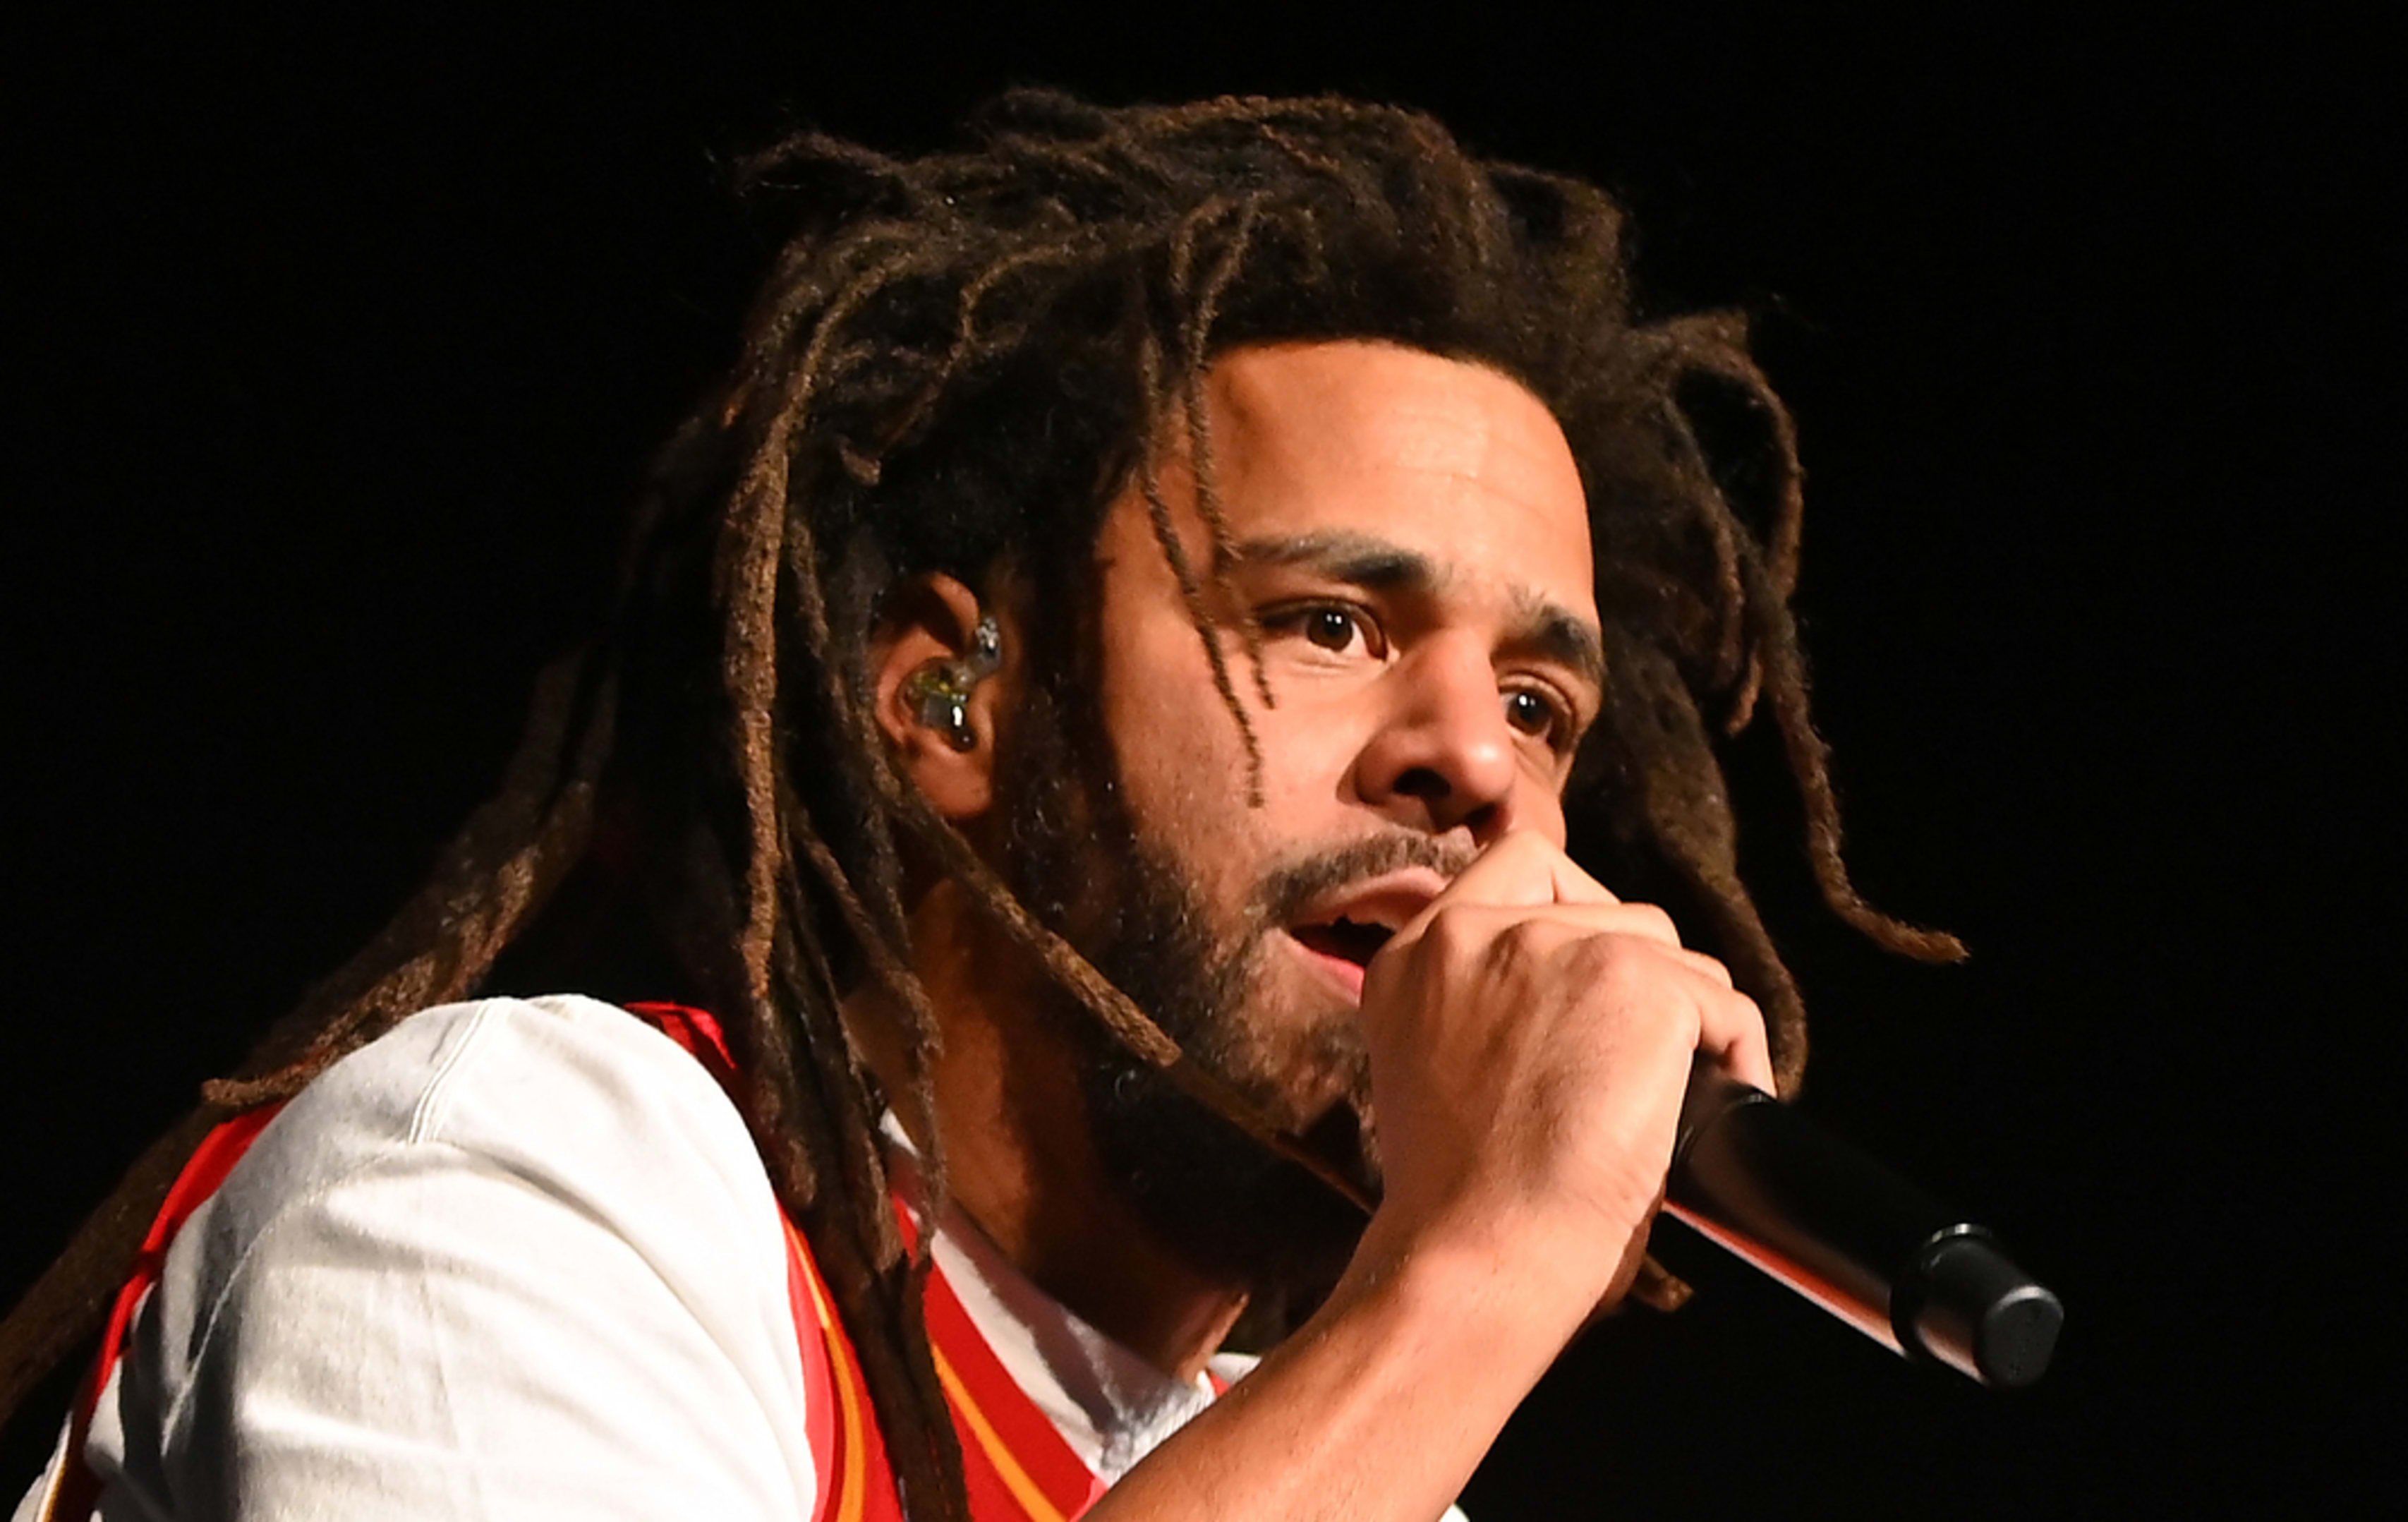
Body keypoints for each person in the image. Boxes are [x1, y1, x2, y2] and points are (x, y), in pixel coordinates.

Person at [1, 89, 1961, 1521]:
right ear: (950, 702)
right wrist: (1477, 1273)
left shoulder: (1352, 1463)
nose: (1476, 768)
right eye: (1333, 622)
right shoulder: (521, 1185)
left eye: (1540, 700)